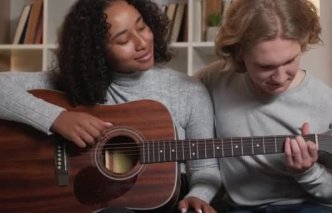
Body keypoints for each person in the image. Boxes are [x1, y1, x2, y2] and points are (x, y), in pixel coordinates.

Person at [0, 0, 219, 212]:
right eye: (123, 41)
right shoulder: (70, 84)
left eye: (142, 27)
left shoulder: (189, 91)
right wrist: (55, 118)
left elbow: (204, 168)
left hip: (159, 202)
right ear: (95, 50)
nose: (142, 43)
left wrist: (197, 196)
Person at [179, 0, 332, 213]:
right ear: (239, 54)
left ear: (302, 44)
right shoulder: (214, 79)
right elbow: (173, 112)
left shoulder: (328, 103)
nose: (281, 77)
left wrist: (309, 173)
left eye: (290, 60)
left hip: (309, 207)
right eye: (266, 66)